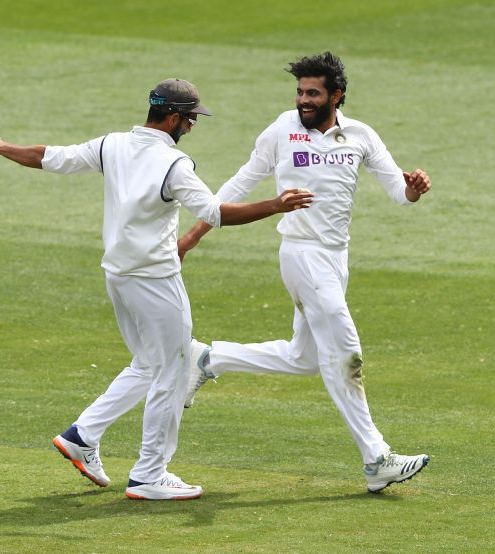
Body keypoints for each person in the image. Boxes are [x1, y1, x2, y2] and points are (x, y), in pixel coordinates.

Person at [0, 78, 313, 501]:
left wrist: (3, 147)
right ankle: (150, 474)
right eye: (189, 119)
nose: (192, 127)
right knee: (174, 369)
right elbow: (217, 214)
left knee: (148, 364)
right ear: (171, 117)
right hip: (156, 280)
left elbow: (48, 158)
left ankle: (81, 436)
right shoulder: (174, 165)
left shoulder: (113, 144)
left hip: (118, 275)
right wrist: (276, 204)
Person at [179, 53, 432, 494]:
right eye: (299, 92)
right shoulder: (282, 129)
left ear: (336, 95)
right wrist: (196, 233)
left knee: (306, 358)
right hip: (301, 254)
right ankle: (377, 459)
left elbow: (397, 189)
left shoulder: (360, 136)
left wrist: (412, 190)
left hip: (336, 258)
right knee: (346, 350)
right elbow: (243, 180)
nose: (303, 100)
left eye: (313, 92)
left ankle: (207, 358)